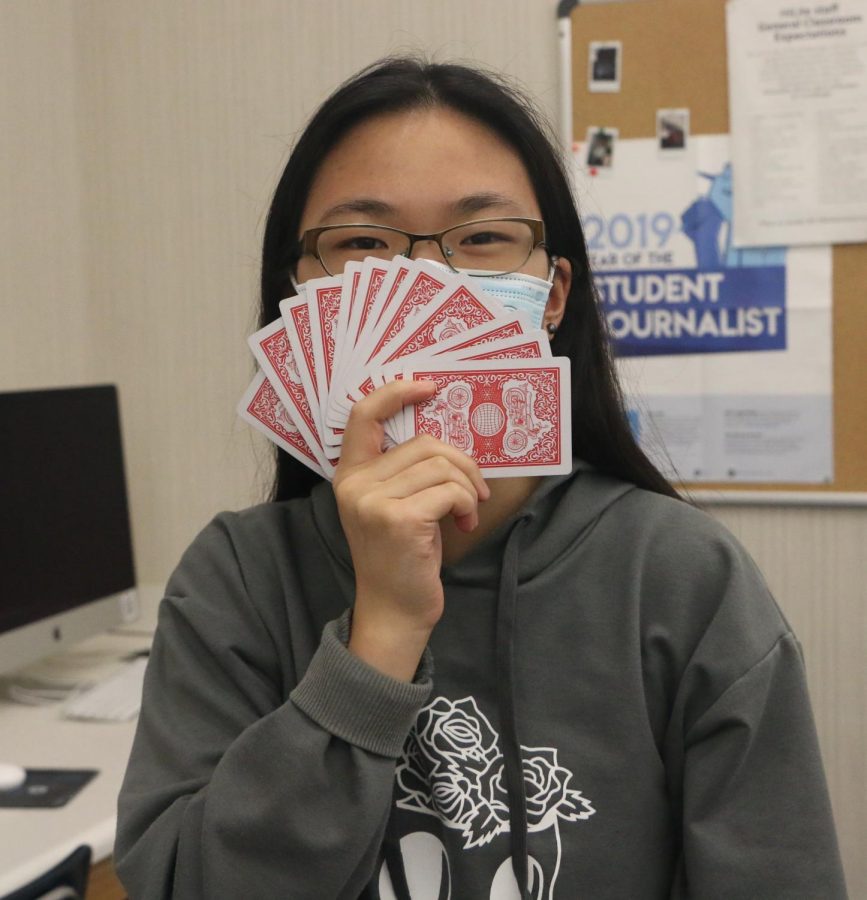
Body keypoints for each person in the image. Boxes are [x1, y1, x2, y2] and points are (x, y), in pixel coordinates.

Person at [114, 57, 848, 899]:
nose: (426, 282)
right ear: (298, 295)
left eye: (482, 238)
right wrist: (381, 636)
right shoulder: (236, 581)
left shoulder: (682, 578)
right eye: (362, 242)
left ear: (552, 293)